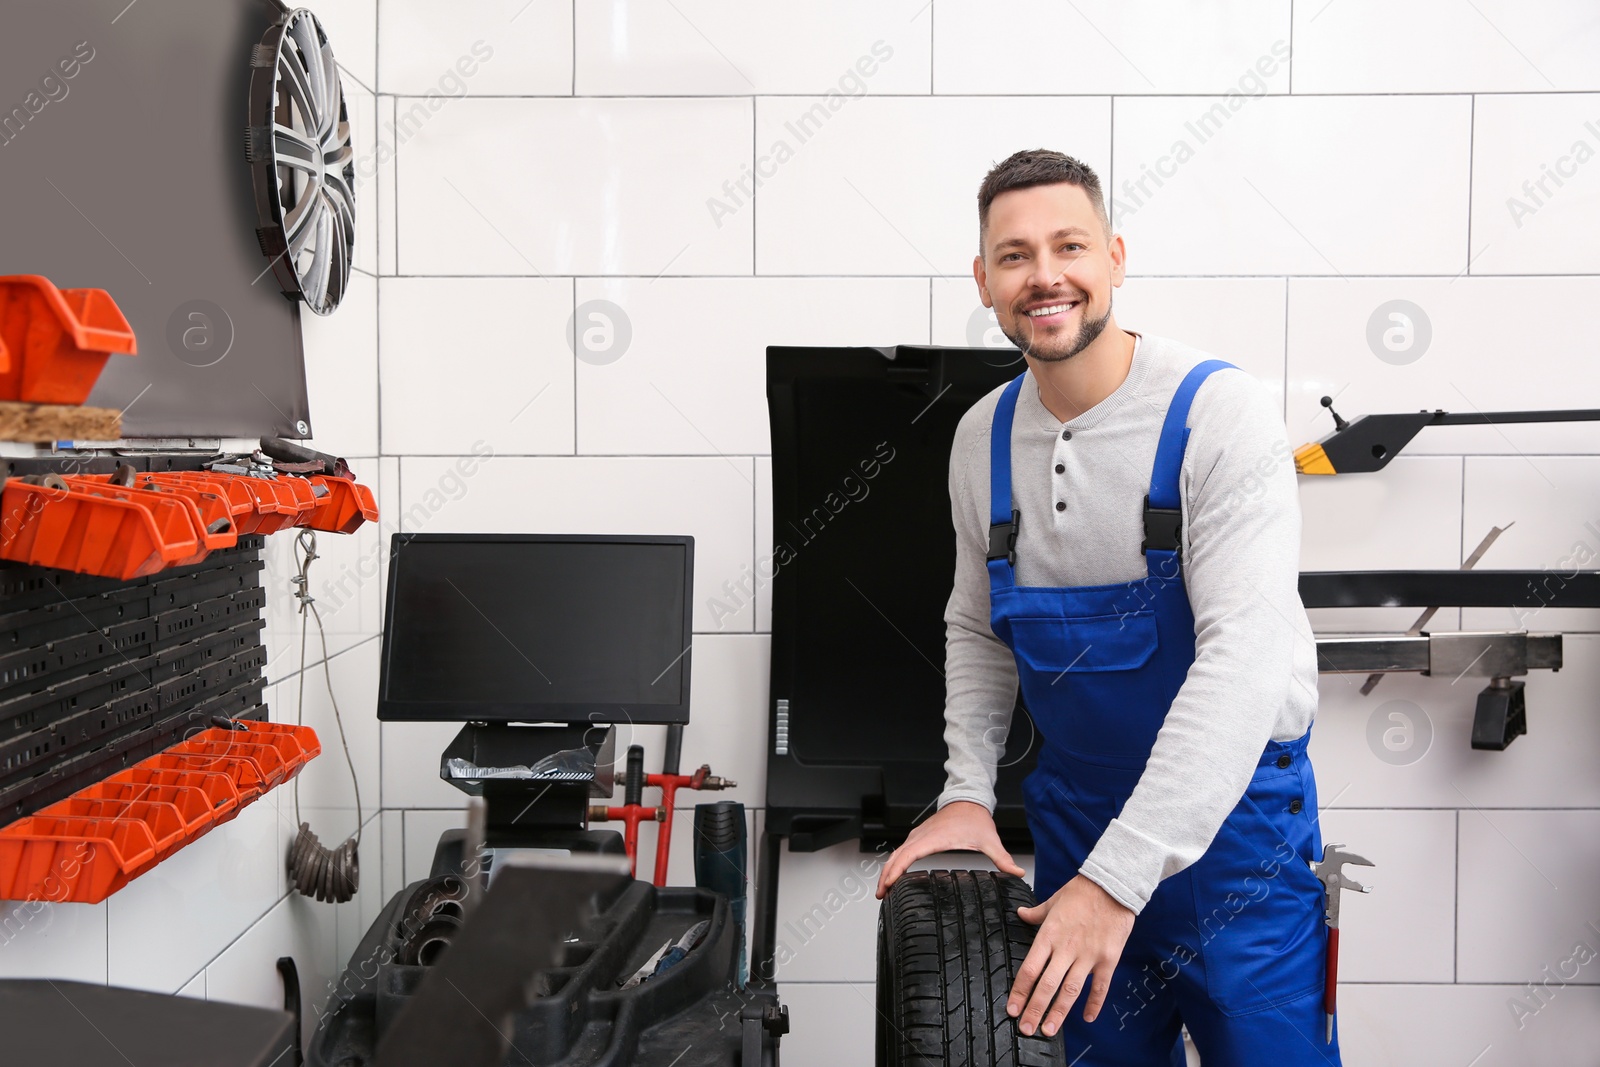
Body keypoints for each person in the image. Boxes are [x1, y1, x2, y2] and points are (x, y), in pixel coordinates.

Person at [874, 149, 1338, 1065]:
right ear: (983, 279)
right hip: (1077, 827)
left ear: (1115, 258)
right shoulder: (982, 437)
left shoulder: (1221, 414)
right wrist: (967, 789)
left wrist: (1118, 881)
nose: (1044, 276)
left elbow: (1243, 659)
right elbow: (977, 625)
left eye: (1069, 246)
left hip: (1238, 844)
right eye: (1013, 255)